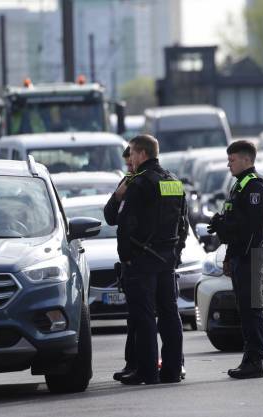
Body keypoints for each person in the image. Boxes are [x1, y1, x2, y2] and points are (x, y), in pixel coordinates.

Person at [116, 134, 188, 385]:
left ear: (142, 154)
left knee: (144, 316)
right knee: (169, 314)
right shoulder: (174, 182)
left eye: (133, 154)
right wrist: (176, 253)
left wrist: (127, 258)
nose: (131, 158)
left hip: (142, 261)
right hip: (167, 259)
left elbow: (122, 222)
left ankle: (147, 371)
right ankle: (172, 370)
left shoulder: (139, 183)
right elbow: (183, 224)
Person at [207, 140, 263, 379]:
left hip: (250, 254)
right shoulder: (240, 186)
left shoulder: (255, 187)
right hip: (239, 254)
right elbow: (237, 224)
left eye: (232, 160)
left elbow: (252, 227)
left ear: (247, 160)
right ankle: (250, 358)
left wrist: (224, 225)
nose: (228, 164)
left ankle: (255, 360)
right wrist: (227, 253)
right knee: (245, 310)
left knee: (252, 309)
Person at [104, 146, 137, 381]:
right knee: (135, 318)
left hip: (147, 263)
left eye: (130, 163)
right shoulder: (127, 183)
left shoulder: (148, 183)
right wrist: (118, 196)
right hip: (133, 263)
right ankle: (133, 363)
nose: (129, 168)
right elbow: (109, 216)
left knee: (161, 317)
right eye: (126, 165)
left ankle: (167, 364)